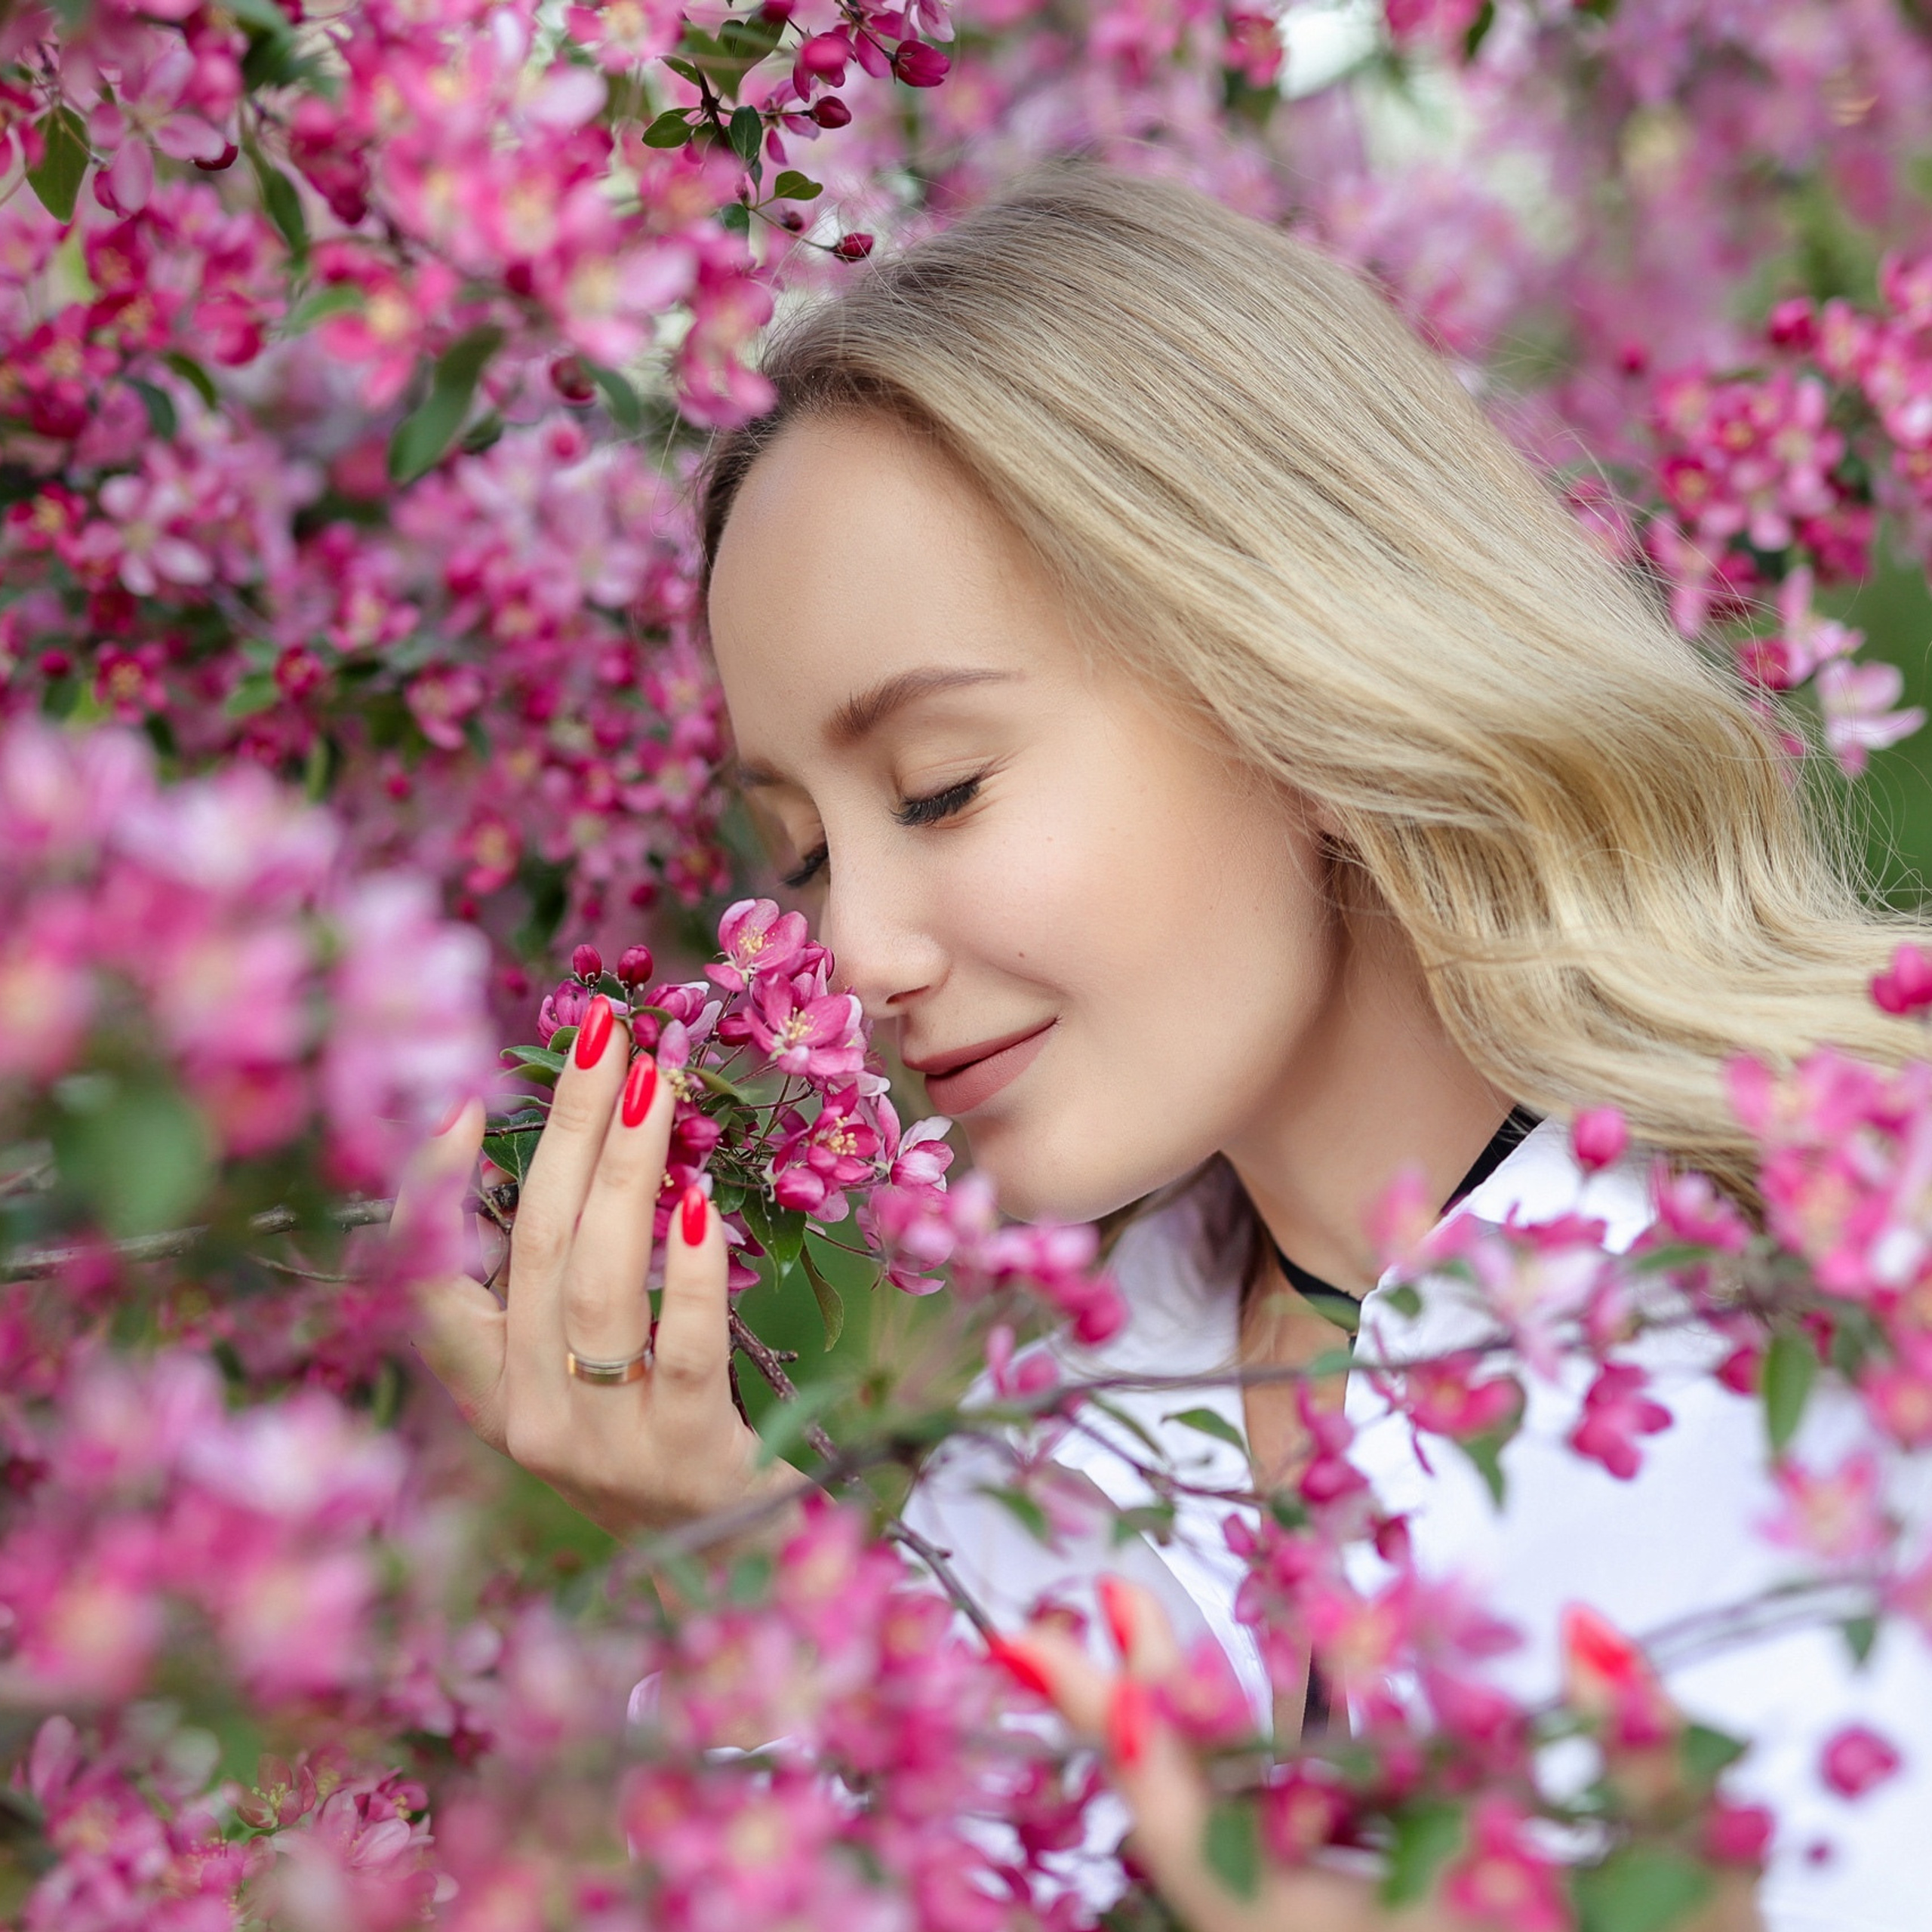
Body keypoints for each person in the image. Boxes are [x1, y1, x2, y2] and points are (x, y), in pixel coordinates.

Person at [405, 166, 1932, 1930]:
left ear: (1282, 670)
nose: (855, 958)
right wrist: (752, 1571)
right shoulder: (1063, 1449)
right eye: (806, 856)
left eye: (938, 786)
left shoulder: (1839, 1266)